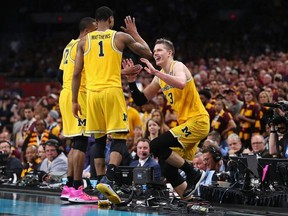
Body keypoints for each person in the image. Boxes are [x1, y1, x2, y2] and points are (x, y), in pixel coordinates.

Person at [71, 6, 152, 204]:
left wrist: (74, 101)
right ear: (110, 20)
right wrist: (134, 34)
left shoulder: (83, 42)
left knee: (98, 139)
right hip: (111, 92)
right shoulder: (118, 37)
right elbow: (148, 53)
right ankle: (109, 180)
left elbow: (76, 74)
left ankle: (100, 186)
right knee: (119, 137)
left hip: (91, 95)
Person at [125, 38, 210, 200]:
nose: (155, 53)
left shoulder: (177, 66)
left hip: (198, 121)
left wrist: (156, 72)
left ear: (169, 53)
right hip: (187, 125)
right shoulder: (159, 78)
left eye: (159, 50)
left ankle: (194, 173)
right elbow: (141, 100)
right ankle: (190, 202)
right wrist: (131, 81)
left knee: (156, 145)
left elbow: (181, 83)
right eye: (154, 50)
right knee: (168, 169)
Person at [58, 17, 98, 203]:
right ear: (88, 31)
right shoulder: (83, 44)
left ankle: (69, 187)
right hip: (77, 95)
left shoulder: (69, 45)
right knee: (81, 142)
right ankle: (77, 188)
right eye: (96, 31)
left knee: (76, 142)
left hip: (65, 94)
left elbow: (60, 75)